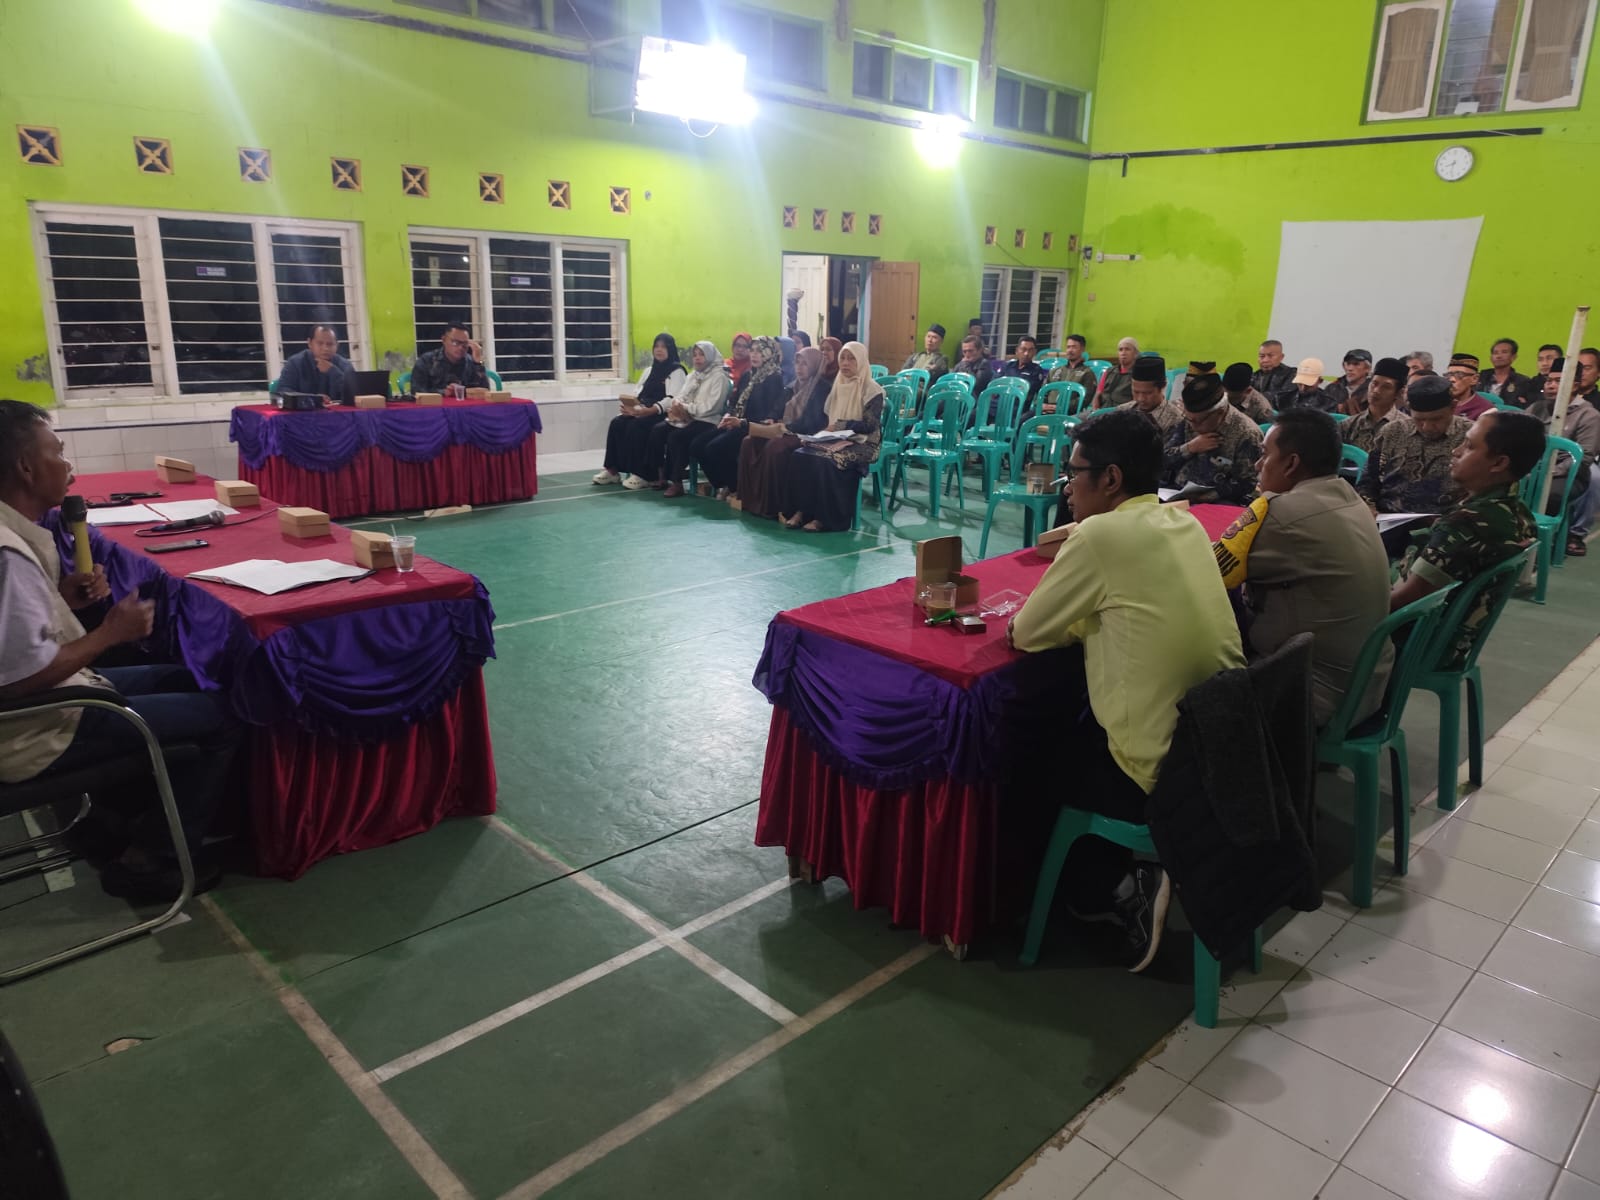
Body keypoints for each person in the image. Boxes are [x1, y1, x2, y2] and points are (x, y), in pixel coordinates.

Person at [1008, 409, 1244, 971]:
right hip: (1223, 743)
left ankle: (1112, 889)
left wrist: (1080, 618)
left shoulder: (1100, 534)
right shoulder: (1183, 522)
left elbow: (1027, 633)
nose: (1067, 487)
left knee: (1028, 760)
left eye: (1074, 473)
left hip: (1158, 770)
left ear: (1110, 478)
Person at [0, 400, 240, 901]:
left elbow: (15, 635)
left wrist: (62, 600)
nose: (68, 465)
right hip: (37, 725)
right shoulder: (8, 554)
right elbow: (21, 680)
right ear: (25, 467)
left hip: (54, 699)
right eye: (56, 452)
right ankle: (153, 859)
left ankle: (120, 817)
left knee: (184, 678)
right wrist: (110, 632)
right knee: (222, 715)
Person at [1213, 408, 1392, 726]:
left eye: (1265, 455)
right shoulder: (1350, 497)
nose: (1257, 465)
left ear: (1291, 463)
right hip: (1364, 686)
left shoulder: (1281, 513)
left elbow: (1210, 573)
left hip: (1312, 694)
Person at [1390, 410, 1540, 663]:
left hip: (1415, 643)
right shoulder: (1518, 513)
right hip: (1455, 641)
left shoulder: (1466, 523)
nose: (1456, 451)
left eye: (1469, 446)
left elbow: (1405, 601)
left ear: (1498, 463)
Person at [1356, 375, 1471, 555]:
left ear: (1453, 407)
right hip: (1389, 524)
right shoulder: (1392, 432)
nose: (1427, 427)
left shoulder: (1470, 437)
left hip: (1444, 530)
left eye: (1436, 419)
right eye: (1419, 419)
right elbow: (1367, 483)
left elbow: (1482, 491)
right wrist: (1368, 507)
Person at [778, 341, 883, 532]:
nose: (846, 363)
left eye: (851, 359)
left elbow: (869, 425)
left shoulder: (872, 389)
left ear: (861, 361)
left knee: (828, 461)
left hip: (864, 444)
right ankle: (802, 511)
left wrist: (841, 425)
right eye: (843, 358)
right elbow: (829, 422)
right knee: (800, 455)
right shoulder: (838, 385)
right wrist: (817, 437)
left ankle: (824, 518)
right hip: (836, 438)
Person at [690, 335, 786, 501]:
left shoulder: (774, 378)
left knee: (715, 447)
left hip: (752, 426)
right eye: (752, 350)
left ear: (769, 353)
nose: (754, 354)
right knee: (697, 445)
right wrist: (728, 415)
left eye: (759, 351)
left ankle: (735, 487)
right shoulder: (748, 375)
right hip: (735, 422)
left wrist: (740, 422)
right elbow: (733, 402)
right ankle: (722, 484)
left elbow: (769, 413)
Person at [736, 345, 828, 518]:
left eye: (805, 364)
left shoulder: (822, 389)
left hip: (805, 435)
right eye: (797, 363)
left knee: (775, 447)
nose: (799, 368)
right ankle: (751, 501)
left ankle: (773, 506)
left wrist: (786, 427)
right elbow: (777, 408)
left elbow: (812, 422)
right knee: (749, 441)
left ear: (814, 365)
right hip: (782, 429)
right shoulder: (792, 386)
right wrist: (771, 419)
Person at [594, 332, 686, 486]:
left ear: (671, 350)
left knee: (637, 426)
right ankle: (612, 470)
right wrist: (631, 408)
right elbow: (638, 392)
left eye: (664, 347)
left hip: (663, 414)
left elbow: (673, 399)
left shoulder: (677, 371)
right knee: (617, 422)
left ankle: (643, 474)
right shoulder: (649, 370)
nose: (659, 350)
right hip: (642, 410)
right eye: (656, 346)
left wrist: (650, 410)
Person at [1162, 371, 1264, 503]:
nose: (1192, 426)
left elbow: (1246, 483)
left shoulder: (1247, 433)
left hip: (1218, 501)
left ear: (1220, 413)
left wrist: (1206, 497)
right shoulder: (1189, 419)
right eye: (1189, 419)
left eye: (1198, 421)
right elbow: (1163, 460)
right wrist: (1190, 448)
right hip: (1176, 492)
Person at [1535, 356, 1600, 558]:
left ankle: (1541, 544)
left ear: (1575, 386)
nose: (1551, 385)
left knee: (1548, 494)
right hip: (1535, 467)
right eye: (1549, 380)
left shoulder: (1588, 415)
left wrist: (1551, 472)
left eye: (1558, 381)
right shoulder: (1537, 408)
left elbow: (1584, 456)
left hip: (1569, 473)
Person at [656, 341, 730, 495]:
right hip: (690, 418)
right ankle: (662, 475)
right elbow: (681, 395)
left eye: (701, 354)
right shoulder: (694, 375)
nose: (697, 358)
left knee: (677, 436)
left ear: (710, 356)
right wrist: (677, 404)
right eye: (695, 355)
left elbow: (712, 407)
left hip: (709, 421)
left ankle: (676, 481)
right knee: (661, 430)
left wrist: (687, 408)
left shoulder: (719, 377)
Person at [1342, 357, 1413, 453]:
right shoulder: (1349, 425)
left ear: (1399, 392)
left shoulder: (1408, 428)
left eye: (1386, 387)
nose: (1376, 390)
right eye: (1374, 384)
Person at [275, 324, 356, 405]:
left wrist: (333, 372)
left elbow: (354, 396)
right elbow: (282, 391)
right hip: (303, 411)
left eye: (330, 344)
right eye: (320, 343)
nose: (325, 348)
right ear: (310, 343)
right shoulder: (295, 363)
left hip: (337, 412)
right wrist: (312, 398)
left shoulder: (345, 365)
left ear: (337, 346)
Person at [411, 321, 489, 394]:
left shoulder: (471, 362)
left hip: (465, 404)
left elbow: (485, 391)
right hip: (435, 403)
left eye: (465, 344)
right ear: (444, 340)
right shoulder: (426, 361)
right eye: (455, 342)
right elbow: (416, 391)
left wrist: (478, 362)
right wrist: (444, 392)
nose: (460, 348)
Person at [1120, 354, 1184, 438]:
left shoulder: (1175, 420)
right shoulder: (1122, 411)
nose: (1140, 399)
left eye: (1147, 393)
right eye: (1136, 392)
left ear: (1163, 387)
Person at [1484, 338, 1533, 407]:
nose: (1499, 356)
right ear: (1491, 358)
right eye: (1495, 353)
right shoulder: (1481, 378)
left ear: (1513, 357)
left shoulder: (1523, 382)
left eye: (1504, 352)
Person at [1322, 349, 1372, 415]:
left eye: (1356, 364)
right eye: (1348, 364)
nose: (1350, 368)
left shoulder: (1374, 390)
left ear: (1367, 368)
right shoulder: (1331, 388)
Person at [999, 335, 1047, 403]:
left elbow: (1026, 391)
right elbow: (994, 384)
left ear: (1034, 352)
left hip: (1019, 404)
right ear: (1017, 350)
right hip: (1000, 401)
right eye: (1023, 349)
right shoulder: (1007, 366)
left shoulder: (1036, 370)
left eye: (1030, 350)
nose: (1026, 353)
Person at [1094, 337, 1139, 409]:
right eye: (1120, 350)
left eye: (1127, 349)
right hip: (1102, 410)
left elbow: (1136, 402)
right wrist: (1095, 412)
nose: (1123, 353)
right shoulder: (1109, 371)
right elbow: (1098, 394)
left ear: (1136, 353)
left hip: (1122, 412)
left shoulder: (1138, 374)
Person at [1446, 353, 1494, 421]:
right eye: (1449, 374)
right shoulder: (1438, 402)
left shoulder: (1486, 410)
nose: (1452, 379)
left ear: (1474, 379)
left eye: (1459, 374)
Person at [1252, 340, 1296, 408]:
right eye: (1262, 356)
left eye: (1270, 356)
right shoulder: (1254, 376)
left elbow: (1284, 397)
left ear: (1281, 357)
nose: (1265, 360)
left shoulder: (1291, 374)